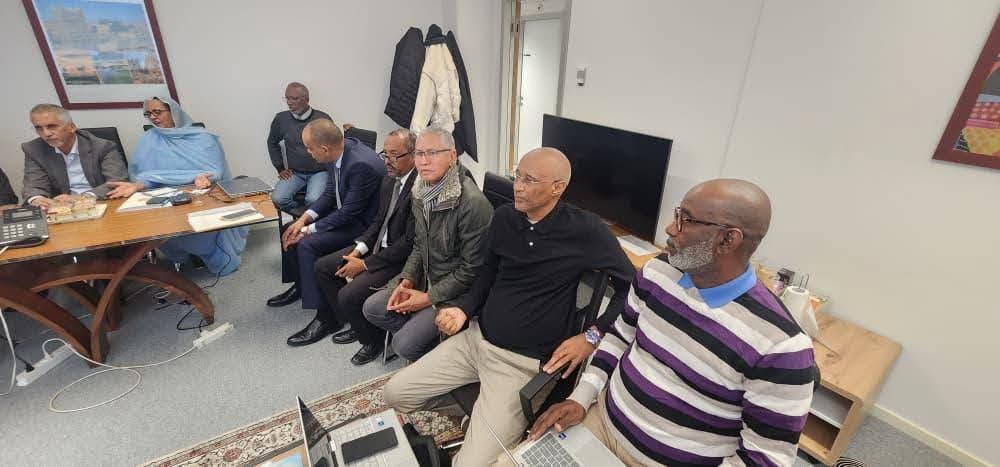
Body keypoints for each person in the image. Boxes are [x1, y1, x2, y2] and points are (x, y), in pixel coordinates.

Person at [524, 179, 816, 467]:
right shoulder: (658, 271)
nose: (670, 228)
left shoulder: (781, 346)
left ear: (728, 240)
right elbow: (619, 336)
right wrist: (581, 397)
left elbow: (765, 458)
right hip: (602, 426)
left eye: (685, 220)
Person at [381, 148, 635, 466]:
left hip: (520, 364)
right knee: (395, 394)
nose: (517, 186)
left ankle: (486, 425)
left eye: (529, 180)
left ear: (557, 187)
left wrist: (592, 336)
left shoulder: (586, 230)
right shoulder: (504, 217)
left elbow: (633, 288)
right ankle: (478, 418)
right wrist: (463, 310)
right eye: (517, 177)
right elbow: (486, 275)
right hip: (475, 340)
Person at [287, 129, 417, 365]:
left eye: (394, 155)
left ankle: (372, 341)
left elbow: (408, 244)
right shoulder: (390, 179)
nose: (387, 161)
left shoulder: (417, 190)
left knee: (348, 294)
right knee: (324, 267)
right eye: (385, 154)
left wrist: (365, 264)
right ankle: (352, 323)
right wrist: (357, 251)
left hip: (398, 259)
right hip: (376, 245)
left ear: (413, 155)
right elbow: (378, 222)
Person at [361, 127, 491, 361]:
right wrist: (407, 278)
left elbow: (472, 270)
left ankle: (435, 348)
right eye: (419, 153)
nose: (424, 161)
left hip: (454, 293)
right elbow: (420, 244)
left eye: (432, 153)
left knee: (403, 345)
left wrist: (428, 298)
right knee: (372, 308)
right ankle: (428, 340)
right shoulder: (420, 190)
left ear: (452, 156)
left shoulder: (473, 204)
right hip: (426, 278)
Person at [105, 96, 247, 276]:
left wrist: (202, 178)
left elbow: (215, 171)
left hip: (200, 193)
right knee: (161, 224)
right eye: (148, 114)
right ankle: (180, 256)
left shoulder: (203, 138)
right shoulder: (148, 140)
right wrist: (137, 185)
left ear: (174, 112)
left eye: (157, 112)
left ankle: (212, 257)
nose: (153, 117)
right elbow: (148, 176)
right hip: (163, 196)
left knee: (201, 225)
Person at [267, 119, 385, 322]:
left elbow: (348, 213)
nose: (307, 152)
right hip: (346, 214)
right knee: (289, 228)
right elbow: (330, 193)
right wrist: (302, 221)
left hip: (362, 225)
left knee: (306, 243)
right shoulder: (336, 152)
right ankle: (301, 285)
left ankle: (325, 315)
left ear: (323, 149)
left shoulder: (361, 165)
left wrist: (307, 230)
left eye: (309, 148)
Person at [21, 103, 128, 207]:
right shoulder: (34, 149)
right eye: (39, 128)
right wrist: (37, 199)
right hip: (61, 207)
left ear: (72, 127)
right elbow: (33, 186)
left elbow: (117, 182)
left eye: (52, 126)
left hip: (101, 202)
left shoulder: (102, 146)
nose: (46, 134)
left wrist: (84, 197)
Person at [268, 82, 334, 211]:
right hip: (295, 173)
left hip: (320, 172)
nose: (289, 102)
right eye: (287, 98)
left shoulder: (322, 118)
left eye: (294, 98)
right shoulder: (281, 119)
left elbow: (333, 146)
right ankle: (302, 214)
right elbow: (272, 142)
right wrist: (280, 168)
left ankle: (308, 216)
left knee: (313, 200)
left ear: (306, 99)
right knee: (278, 198)